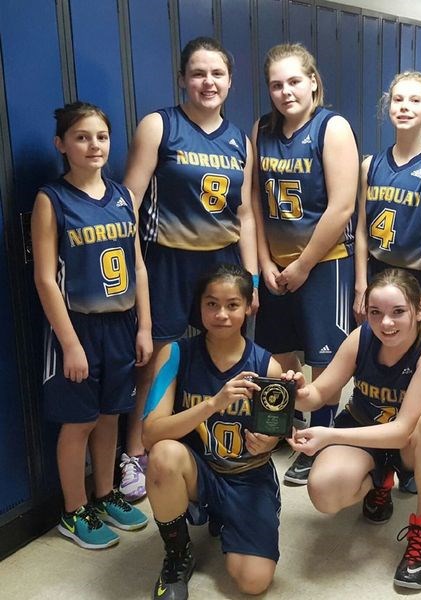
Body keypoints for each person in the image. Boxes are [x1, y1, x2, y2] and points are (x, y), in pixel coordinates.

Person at [121, 36, 259, 501]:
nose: (208, 82)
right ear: (183, 78)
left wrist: (252, 277)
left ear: (230, 81)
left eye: (217, 74)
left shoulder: (241, 139)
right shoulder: (160, 126)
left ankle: (216, 444)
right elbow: (130, 203)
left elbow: (244, 215)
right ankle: (136, 454)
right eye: (198, 73)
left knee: (220, 357)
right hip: (168, 259)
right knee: (156, 361)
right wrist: (136, 266)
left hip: (222, 264)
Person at [287, 269, 421, 590]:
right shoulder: (361, 337)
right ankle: (379, 481)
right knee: (323, 493)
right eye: (376, 313)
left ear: (419, 310)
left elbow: (402, 429)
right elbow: (319, 394)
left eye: (398, 312)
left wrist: (330, 435)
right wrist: (298, 391)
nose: (386, 324)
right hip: (364, 430)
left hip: (411, 443)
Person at [31, 102, 150, 549]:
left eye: (101, 136)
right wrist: (70, 344)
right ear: (61, 145)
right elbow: (45, 278)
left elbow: (137, 267)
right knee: (78, 422)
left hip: (121, 325)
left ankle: (105, 494)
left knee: (110, 417)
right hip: (76, 330)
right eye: (81, 137)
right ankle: (74, 509)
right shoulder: (52, 199)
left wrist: (144, 327)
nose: (93, 145)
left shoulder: (122, 196)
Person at [252, 43, 359, 484]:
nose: (285, 91)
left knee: (323, 356)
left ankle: (321, 436)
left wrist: (302, 265)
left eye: (294, 81)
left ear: (313, 80)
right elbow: (254, 201)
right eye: (276, 84)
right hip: (275, 265)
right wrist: (263, 262)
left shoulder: (332, 128)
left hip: (324, 264)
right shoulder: (261, 128)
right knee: (279, 351)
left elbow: (341, 207)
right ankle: (286, 426)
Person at [142, 264, 283, 599]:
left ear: (249, 307)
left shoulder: (267, 366)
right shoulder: (175, 354)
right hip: (199, 471)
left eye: (233, 305)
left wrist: (268, 441)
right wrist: (211, 404)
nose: (221, 314)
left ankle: (228, 516)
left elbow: (273, 436)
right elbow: (149, 435)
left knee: (253, 582)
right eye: (211, 304)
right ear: (200, 307)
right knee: (163, 455)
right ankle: (178, 553)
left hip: (247, 477)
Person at [354, 71, 421, 326]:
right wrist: (360, 284)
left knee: (416, 356)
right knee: (374, 352)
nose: (404, 107)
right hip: (377, 273)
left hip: (416, 279)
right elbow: (362, 231)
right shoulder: (370, 166)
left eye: (415, 101)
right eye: (398, 100)